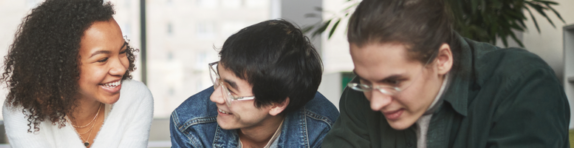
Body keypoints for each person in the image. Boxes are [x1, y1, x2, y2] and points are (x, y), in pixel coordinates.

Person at [322, 0, 570, 147]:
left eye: (394, 81)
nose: (376, 102)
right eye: (365, 81)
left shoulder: (524, 86)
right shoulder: (361, 95)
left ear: (441, 60)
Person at [0, 0, 153, 148]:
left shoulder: (135, 97)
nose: (120, 68)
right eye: (102, 59)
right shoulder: (21, 110)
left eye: (123, 52)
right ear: (62, 65)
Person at [170, 20, 339, 148]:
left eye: (230, 90)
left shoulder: (322, 127)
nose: (214, 97)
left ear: (276, 103)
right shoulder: (190, 124)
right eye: (218, 79)